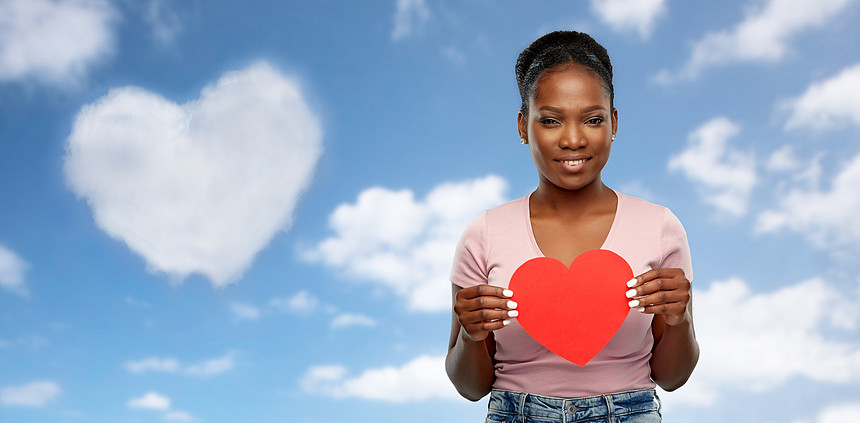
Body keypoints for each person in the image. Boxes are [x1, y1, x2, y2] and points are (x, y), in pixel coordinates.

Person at [445, 31, 698, 423]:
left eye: (593, 119)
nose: (573, 139)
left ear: (613, 123)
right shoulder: (484, 234)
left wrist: (679, 321)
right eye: (550, 120)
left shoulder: (660, 227)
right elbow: (469, 387)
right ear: (522, 126)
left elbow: (672, 377)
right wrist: (470, 335)